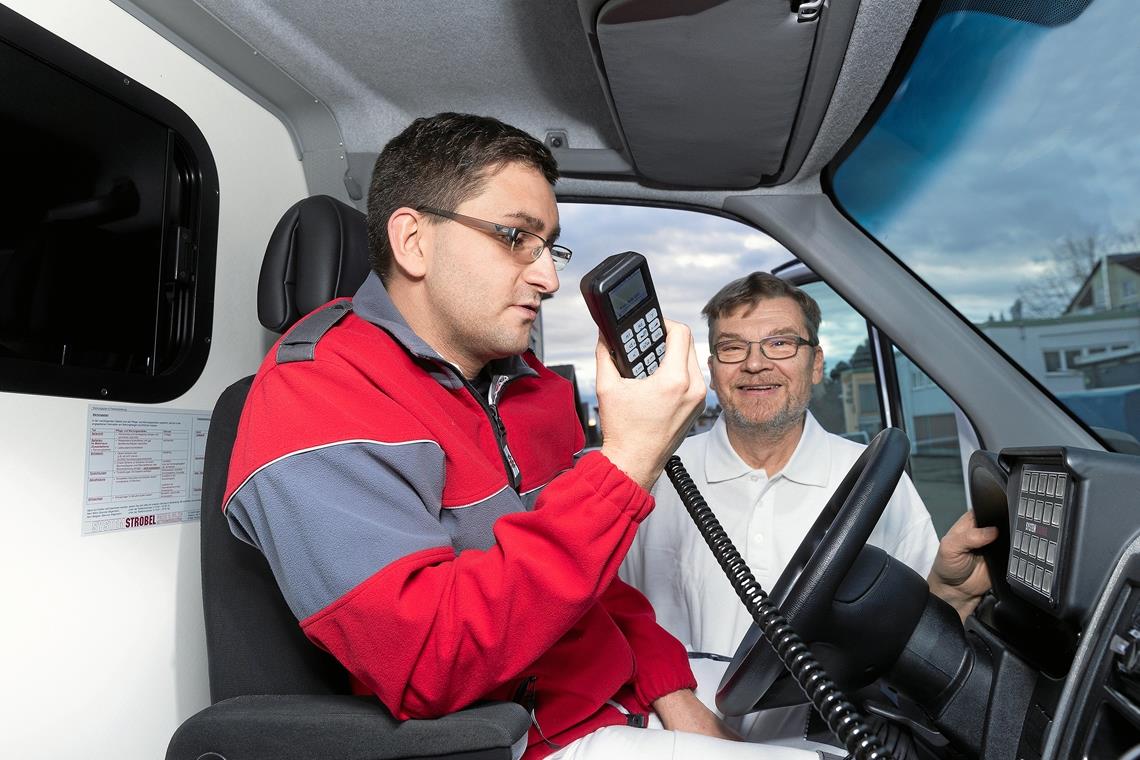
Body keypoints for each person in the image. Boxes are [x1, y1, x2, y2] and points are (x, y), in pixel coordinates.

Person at [222, 113, 818, 760]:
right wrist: (624, 465)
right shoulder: (317, 396)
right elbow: (429, 661)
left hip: (618, 695)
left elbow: (593, 582)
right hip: (520, 741)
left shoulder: (530, 387)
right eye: (516, 238)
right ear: (413, 241)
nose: (550, 279)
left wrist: (671, 690)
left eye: (550, 247)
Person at [621, 272, 998, 743]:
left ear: (816, 363)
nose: (755, 364)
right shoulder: (652, 479)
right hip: (675, 740)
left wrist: (950, 589)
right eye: (733, 347)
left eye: (780, 343)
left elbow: (915, 641)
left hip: (830, 740)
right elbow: (610, 625)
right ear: (713, 370)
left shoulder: (872, 481)